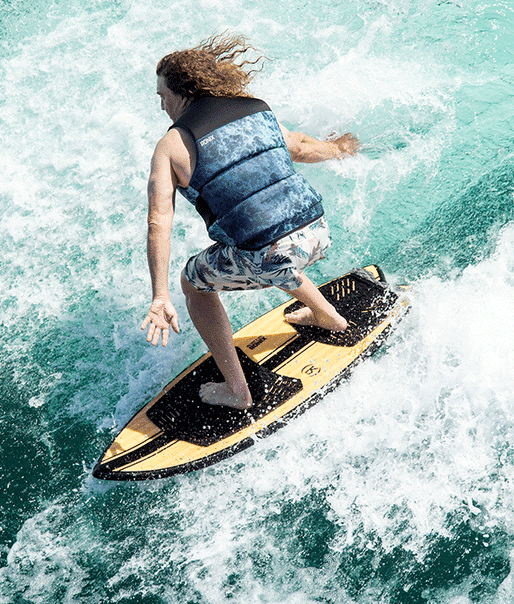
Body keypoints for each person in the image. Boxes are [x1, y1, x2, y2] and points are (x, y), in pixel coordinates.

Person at [139, 34, 360, 410]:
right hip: (318, 232)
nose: (161, 105)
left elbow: (159, 220)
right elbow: (301, 146)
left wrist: (160, 296)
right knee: (267, 236)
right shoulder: (256, 108)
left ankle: (237, 391)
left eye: (163, 96)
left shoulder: (172, 145)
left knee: (194, 283)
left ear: (183, 93)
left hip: (271, 256)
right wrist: (339, 149)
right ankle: (329, 317)